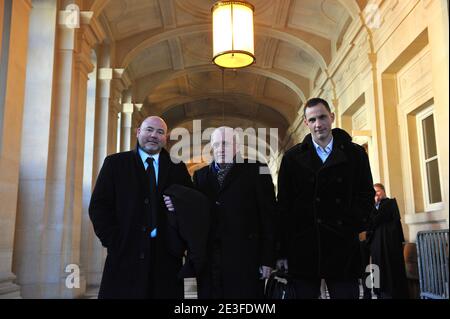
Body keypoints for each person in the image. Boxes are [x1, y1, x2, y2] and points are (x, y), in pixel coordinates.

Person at [276, 97, 375, 299]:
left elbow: (366, 195)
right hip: (303, 249)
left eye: (322, 117)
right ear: (306, 123)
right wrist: (282, 251)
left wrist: (349, 224)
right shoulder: (292, 159)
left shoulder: (355, 154)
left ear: (331, 117)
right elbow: (283, 207)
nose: (318, 124)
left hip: (342, 247)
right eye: (312, 120)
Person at [89, 116, 193, 299]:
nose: (154, 135)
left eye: (160, 132)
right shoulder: (115, 164)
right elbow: (99, 206)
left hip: (166, 258)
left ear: (165, 138)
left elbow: (192, 208)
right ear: (138, 132)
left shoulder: (177, 168)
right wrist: (114, 241)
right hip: (124, 253)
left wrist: (179, 241)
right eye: (149, 130)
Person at [192, 127, 276, 298]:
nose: (220, 149)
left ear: (237, 146)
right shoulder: (200, 176)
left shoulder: (257, 169)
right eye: (216, 145)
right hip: (210, 261)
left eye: (225, 144)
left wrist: (268, 259)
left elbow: (269, 216)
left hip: (246, 259)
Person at [369, 183, 409, 299]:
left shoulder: (390, 203)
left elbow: (378, 219)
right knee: (376, 270)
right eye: (374, 193)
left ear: (383, 191)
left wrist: (375, 206)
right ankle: (378, 293)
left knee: (391, 272)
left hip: (389, 245)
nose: (376, 195)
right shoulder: (373, 207)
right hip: (377, 245)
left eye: (378, 191)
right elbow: (370, 223)